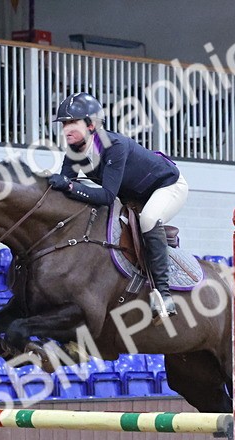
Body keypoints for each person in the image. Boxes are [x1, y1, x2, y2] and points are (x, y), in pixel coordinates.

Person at [46, 92, 187, 319]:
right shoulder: (74, 151)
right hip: (133, 195)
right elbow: (66, 187)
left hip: (167, 186)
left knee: (148, 219)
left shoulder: (113, 146)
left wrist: (70, 186)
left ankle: (164, 294)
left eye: (72, 122)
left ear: (91, 125)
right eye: (64, 124)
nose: (66, 129)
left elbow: (107, 196)